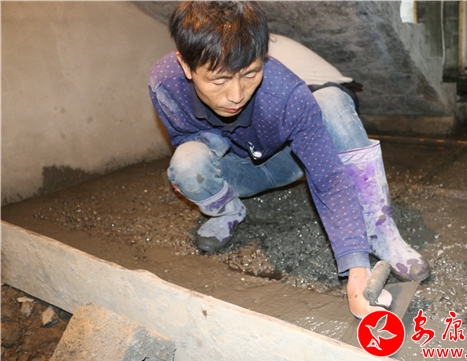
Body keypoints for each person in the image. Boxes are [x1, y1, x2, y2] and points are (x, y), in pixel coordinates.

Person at [148, 1, 430, 319]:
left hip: (289, 162)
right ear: (185, 66)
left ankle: (379, 230)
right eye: (219, 81)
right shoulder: (164, 84)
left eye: (250, 74)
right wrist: (213, 143)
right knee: (186, 163)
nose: (236, 95)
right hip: (236, 171)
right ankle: (228, 212)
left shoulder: (287, 94)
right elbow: (184, 137)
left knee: (332, 99)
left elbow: (329, 179)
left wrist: (356, 265)